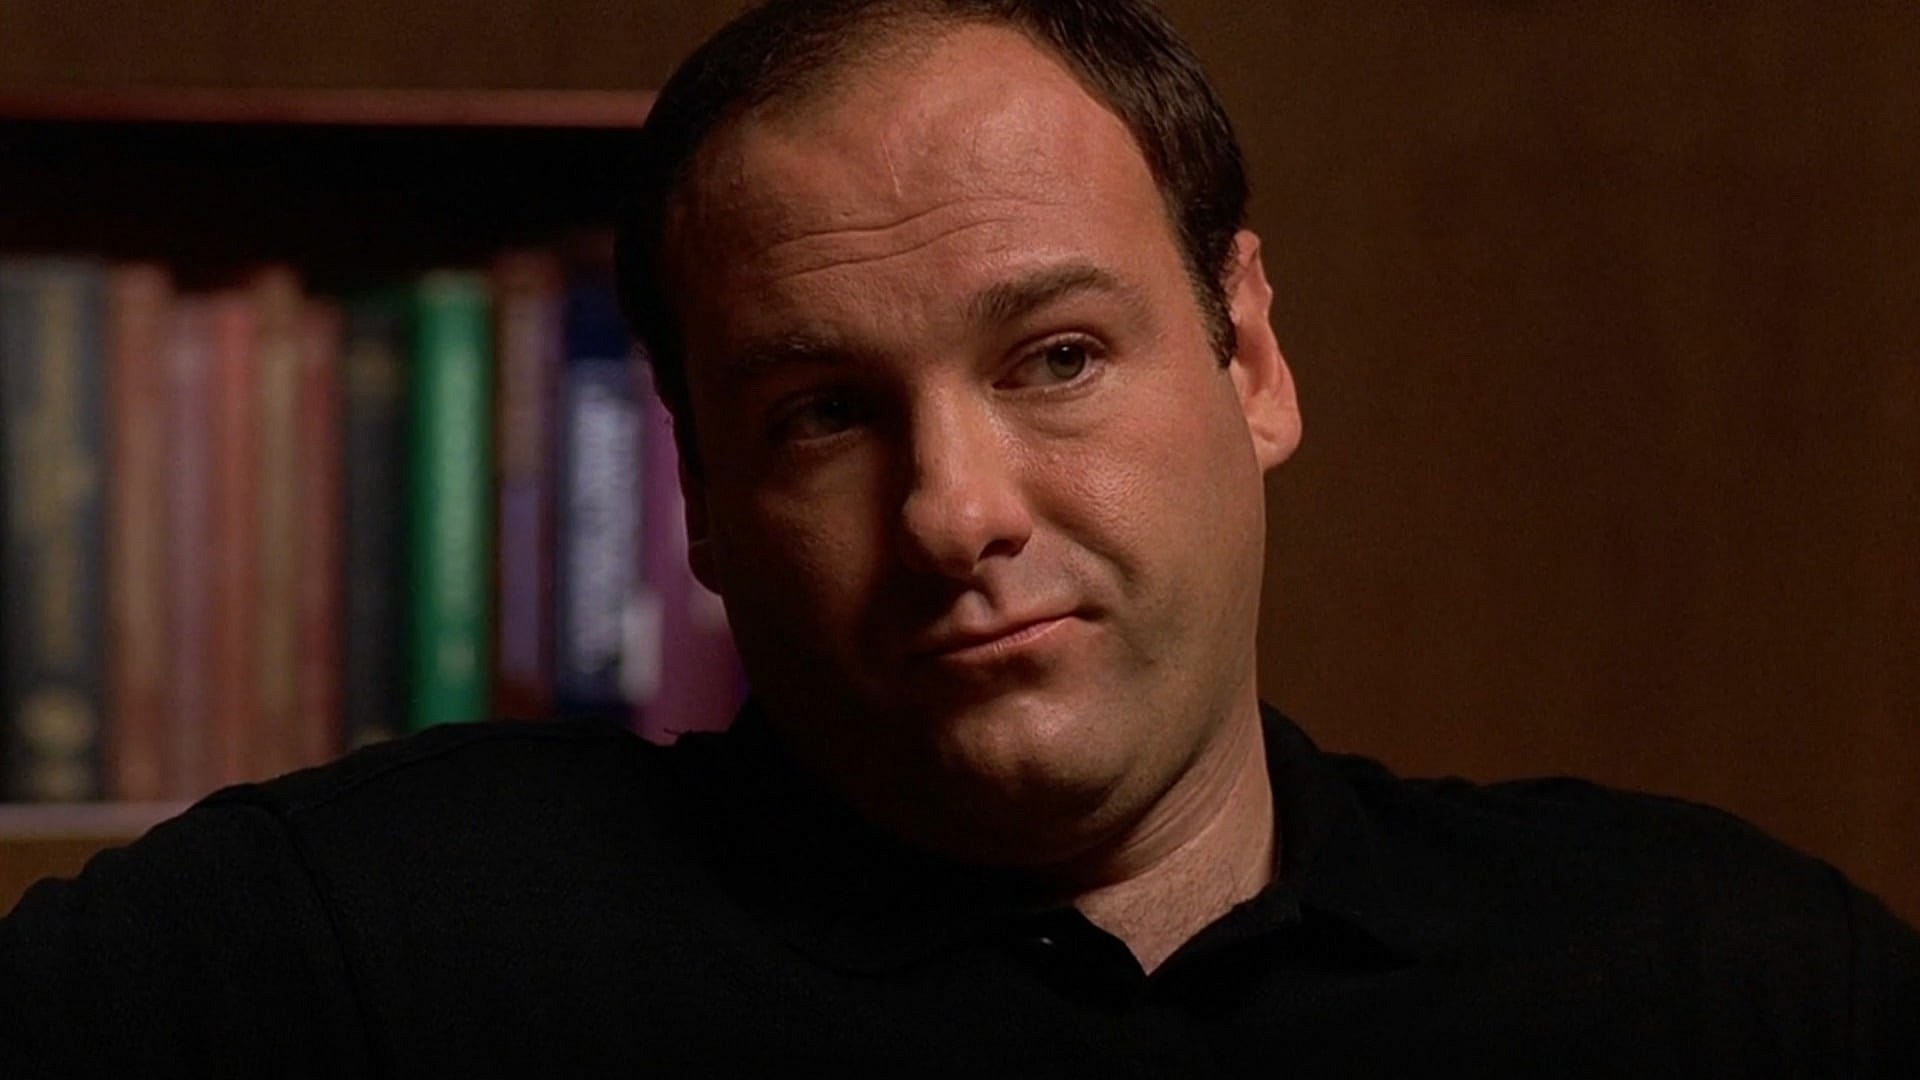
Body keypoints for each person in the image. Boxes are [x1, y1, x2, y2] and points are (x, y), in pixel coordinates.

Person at [4, 0, 1917, 1074]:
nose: (953, 512)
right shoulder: (362, 948)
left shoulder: (1718, 982)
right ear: (699, 499)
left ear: (1252, 359)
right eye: (823, 414)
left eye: (1057, 357)